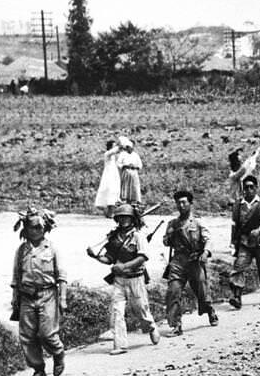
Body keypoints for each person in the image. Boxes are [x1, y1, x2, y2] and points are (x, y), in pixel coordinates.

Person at [88, 203, 161, 353]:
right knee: (117, 311)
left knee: (141, 309)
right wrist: (95, 256)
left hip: (136, 278)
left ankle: (151, 326)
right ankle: (120, 345)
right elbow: (109, 258)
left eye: (127, 217)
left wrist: (125, 266)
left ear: (133, 219)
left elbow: (142, 258)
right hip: (119, 280)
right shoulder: (114, 237)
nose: (123, 220)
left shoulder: (138, 236)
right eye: (120, 217)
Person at [10, 207, 67, 376]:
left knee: (47, 333)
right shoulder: (21, 250)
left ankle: (58, 352)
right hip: (27, 295)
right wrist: (14, 298)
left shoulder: (53, 249)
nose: (35, 231)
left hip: (48, 293)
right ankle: (38, 370)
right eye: (32, 227)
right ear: (25, 229)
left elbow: (62, 276)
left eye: (39, 227)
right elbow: (16, 276)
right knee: (27, 335)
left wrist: (63, 299)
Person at [161, 189, 215, 334]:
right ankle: (176, 325)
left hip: (194, 260)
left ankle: (209, 309)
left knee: (202, 291)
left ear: (190, 204)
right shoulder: (172, 223)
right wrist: (169, 236)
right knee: (173, 291)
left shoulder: (198, 222)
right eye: (178, 203)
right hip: (178, 261)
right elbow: (166, 242)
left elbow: (207, 239)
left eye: (184, 202)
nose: (181, 205)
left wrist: (205, 252)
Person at [229, 176, 260, 307]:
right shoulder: (238, 205)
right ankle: (237, 296)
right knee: (239, 266)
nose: (248, 190)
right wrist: (233, 243)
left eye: (251, 187)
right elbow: (234, 224)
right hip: (244, 242)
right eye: (246, 187)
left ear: (256, 188)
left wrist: (259, 230)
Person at [94, 138, 121, 216]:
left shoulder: (113, 156)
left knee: (114, 190)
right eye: (113, 145)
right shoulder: (107, 154)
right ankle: (109, 212)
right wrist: (120, 145)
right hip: (109, 174)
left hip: (114, 173)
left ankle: (111, 211)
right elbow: (113, 151)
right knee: (109, 189)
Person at [116, 137, 143, 204]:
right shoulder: (123, 154)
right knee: (125, 187)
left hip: (134, 173)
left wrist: (135, 167)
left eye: (130, 147)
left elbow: (140, 165)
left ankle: (133, 201)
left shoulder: (135, 155)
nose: (129, 149)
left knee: (134, 187)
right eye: (128, 147)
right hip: (126, 173)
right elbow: (118, 163)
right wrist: (124, 166)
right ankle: (125, 201)